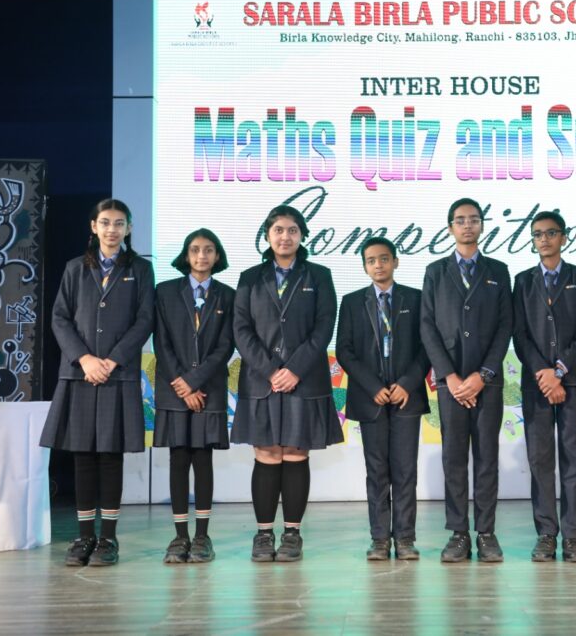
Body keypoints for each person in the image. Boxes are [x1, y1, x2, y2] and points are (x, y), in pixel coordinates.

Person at [41, 198, 155, 567]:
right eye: (105, 222)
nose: (112, 229)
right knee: (83, 456)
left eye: (119, 223)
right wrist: (85, 359)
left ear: (129, 228)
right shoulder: (75, 268)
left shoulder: (141, 269)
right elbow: (60, 318)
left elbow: (144, 320)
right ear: (94, 227)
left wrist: (112, 359)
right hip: (79, 374)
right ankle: (84, 536)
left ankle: (108, 538)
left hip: (118, 375)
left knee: (110, 456)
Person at [231, 205, 342, 562]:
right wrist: (270, 370)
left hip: (304, 381)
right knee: (266, 454)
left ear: (302, 236)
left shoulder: (319, 275)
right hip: (261, 381)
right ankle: (264, 534)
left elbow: (324, 327)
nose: (285, 236)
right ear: (267, 236)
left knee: (295, 453)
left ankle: (292, 534)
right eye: (278, 230)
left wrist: (294, 369)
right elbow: (241, 330)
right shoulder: (250, 278)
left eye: (292, 230)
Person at [420, 198, 513, 563]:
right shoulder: (435, 271)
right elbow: (427, 326)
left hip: (487, 382)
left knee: (487, 458)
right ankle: (458, 533)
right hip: (451, 383)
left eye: (474, 219)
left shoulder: (498, 270)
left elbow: (505, 325)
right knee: (454, 458)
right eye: (460, 220)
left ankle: (486, 532)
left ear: (482, 226)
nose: (467, 225)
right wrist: (451, 375)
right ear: (450, 228)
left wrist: (483, 374)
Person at [336, 237, 430, 561]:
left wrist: (407, 383)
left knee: (405, 471)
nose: (378, 265)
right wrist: (372, 385)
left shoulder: (415, 299)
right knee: (377, 471)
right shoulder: (351, 302)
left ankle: (405, 538)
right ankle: (379, 539)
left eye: (384, 258)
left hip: (406, 398)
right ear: (365, 266)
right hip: (370, 399)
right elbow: (345, 350)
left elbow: (426, 347)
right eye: (371, 260)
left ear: (395, 262)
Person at [512, 211, 576, 562]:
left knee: (574, 461)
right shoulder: (523, 280)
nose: (544, 239)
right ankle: (546, 534)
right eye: (537, 234)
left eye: (550, 233)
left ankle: (573, 537)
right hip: (537, 385)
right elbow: (520, 334)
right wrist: (543, 373)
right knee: (540, 461)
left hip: (572, 380)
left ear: (564, 237)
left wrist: (559, 369)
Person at [154, 229, 235, 563]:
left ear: (217, 256)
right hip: (174, 389)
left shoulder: (228, 295)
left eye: (209, 250)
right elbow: (161, 342)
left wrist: (195, 381)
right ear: (186, 256)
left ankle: (202, 536)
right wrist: (182, 384)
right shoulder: (165, 291)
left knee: (203, 459)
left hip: (209, 389)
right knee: (178, 459)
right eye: (195, 250)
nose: (202, 256)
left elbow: (225, 346)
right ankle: (179, 536)